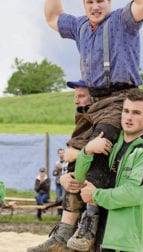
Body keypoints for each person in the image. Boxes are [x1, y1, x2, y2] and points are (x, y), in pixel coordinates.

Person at [44, 0, 143, 251]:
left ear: (109, 1)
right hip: (93, 102)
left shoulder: (121, 21)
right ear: (84, 4)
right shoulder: (80, 25)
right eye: (90, 2)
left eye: (100, 1)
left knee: (99, 148)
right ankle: (65, 230)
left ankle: (90, 224)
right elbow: (52, 17)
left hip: (120, 97)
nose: (95, 6)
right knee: (73, 153)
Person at [73, 89, 143, 252]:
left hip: (125, 240)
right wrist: (87, 151)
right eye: (126, 111)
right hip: (99, 233)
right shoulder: (112, 142)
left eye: (136, 113)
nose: (129, 117)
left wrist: (95, 195)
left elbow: (134, 193)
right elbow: (81, 176)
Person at [27, 80, 92, 251]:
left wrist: (79, 154)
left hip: (93, 189)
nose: (76, 101)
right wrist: (63, 177)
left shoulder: (103, 119)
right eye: (75, 96)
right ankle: (62, 234)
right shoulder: (82, 118)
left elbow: (107, 151)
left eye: (81, 96)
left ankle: (63, 236)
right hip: (76, 185)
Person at [52, 148, 67, 215]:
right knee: (58, 197)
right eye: (60, 153)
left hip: (64, 183)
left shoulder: (67, 162)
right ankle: (59, 212)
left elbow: (68, 172)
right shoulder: (57, 163)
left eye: (62, 153)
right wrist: (56, 170)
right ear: (58, 154)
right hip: (58, 183)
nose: (61, 154)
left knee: (63, 197)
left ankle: (63, 212)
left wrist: (61, 168)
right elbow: (54, 174)